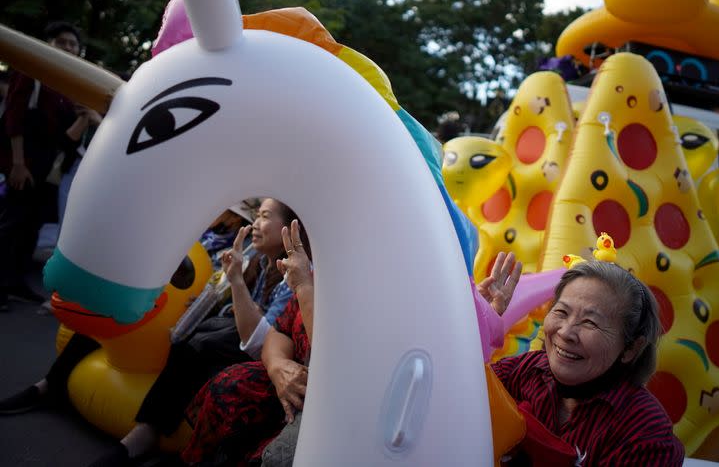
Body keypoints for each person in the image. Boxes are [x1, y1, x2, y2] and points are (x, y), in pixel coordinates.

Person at [0, 198, 304, 465]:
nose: (256, 222)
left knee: (196, 342)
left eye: (264, 215)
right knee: (118, 313)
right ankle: (50, 383)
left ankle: (145, 434)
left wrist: (232, 281)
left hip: (205, 322)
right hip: (188, 306)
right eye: (256, 214)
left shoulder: (266, 261)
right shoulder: (242, 250)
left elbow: (260, 331)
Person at [178, 237, 522, 467]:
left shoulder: (401, 292)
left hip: (343, 417)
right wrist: (279, 366)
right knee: (230, 384)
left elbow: (339, 362)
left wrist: (477, 316)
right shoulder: (326, 270)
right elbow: (279, 333)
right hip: (291, 396)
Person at [491, 261, 684, 466]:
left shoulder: (644, 432)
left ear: (631, 349)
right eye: (561, 312)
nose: (565, 333)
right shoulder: (527, 370)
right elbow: (465, 392)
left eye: (590, 322)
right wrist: (479, 320)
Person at [0, 21, 94, 310]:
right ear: (49, 45)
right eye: (62, 42)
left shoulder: (68, 85)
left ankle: (15, 281)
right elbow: (13, 118)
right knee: (12, 223)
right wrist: (17, 163)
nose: (68, 48)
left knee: (30, 226)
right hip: (24, 161)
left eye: (73, 44)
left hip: (46, 168)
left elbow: (65, 135)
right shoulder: (33, 72)